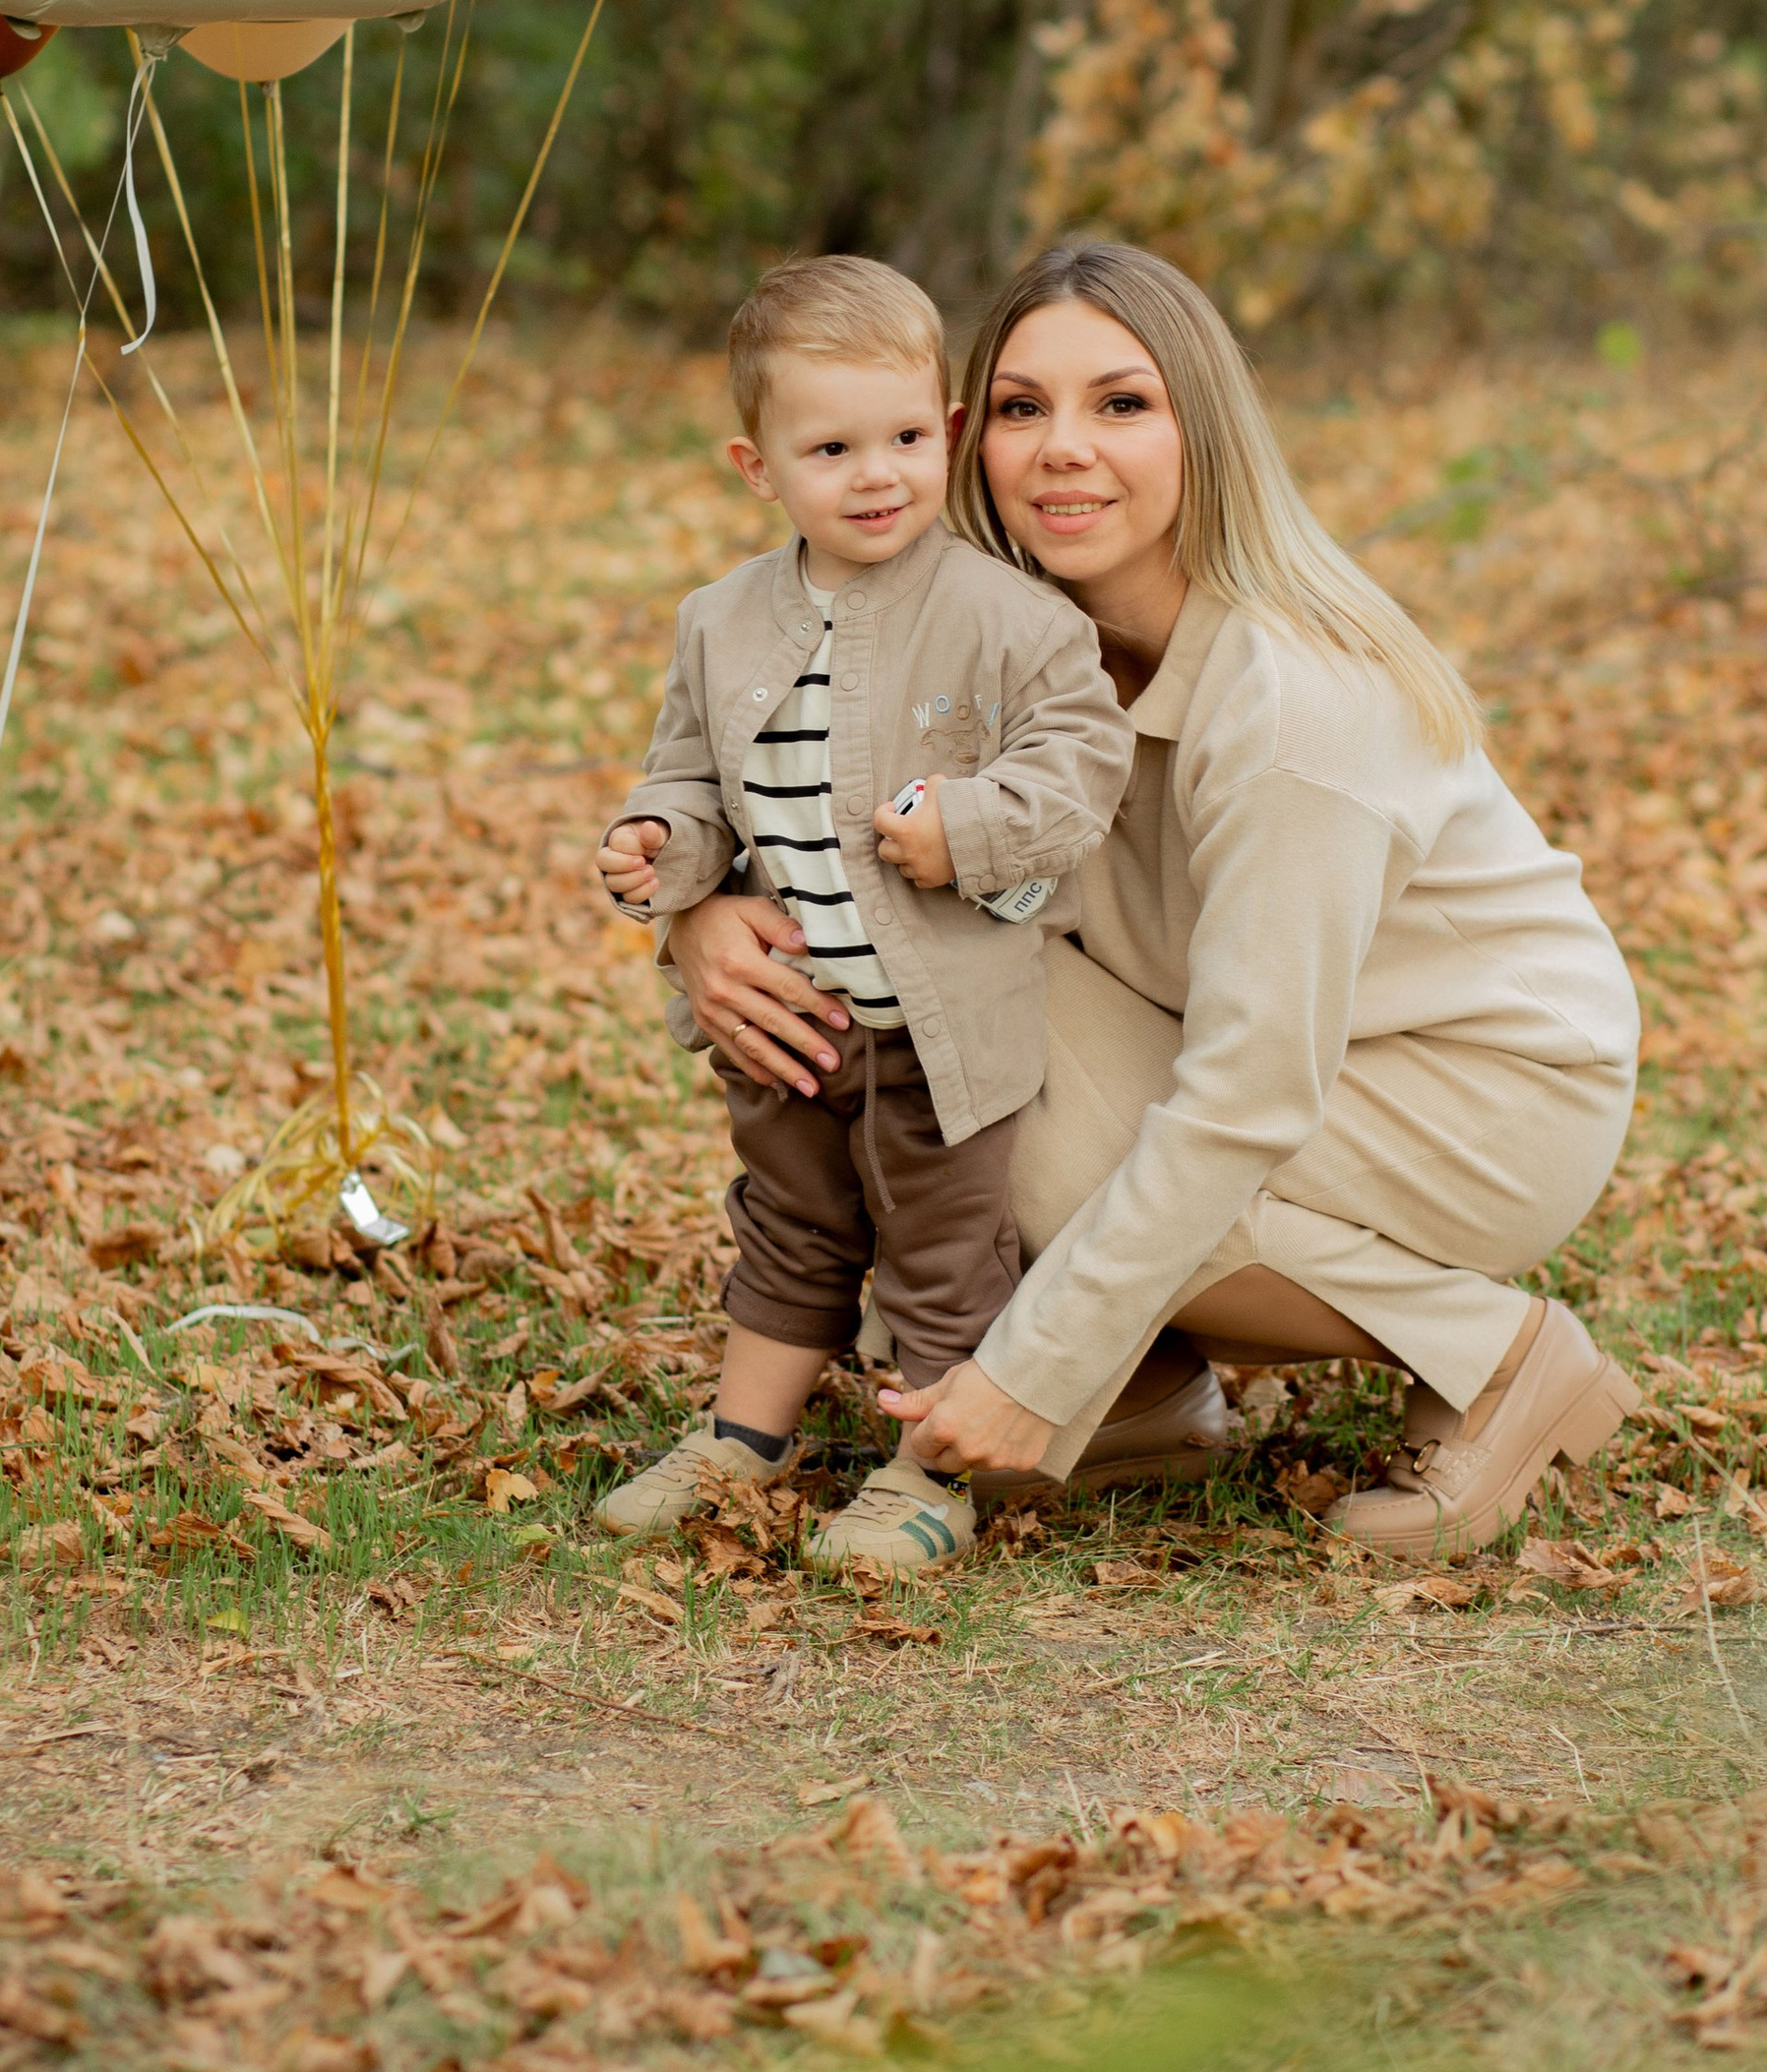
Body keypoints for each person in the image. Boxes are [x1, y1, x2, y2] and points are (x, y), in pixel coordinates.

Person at [663, 239, 1643, 1564]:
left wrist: (1031, 1373)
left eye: (1122, 404)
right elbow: (821, 823)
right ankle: (1147, 1386)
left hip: (1479, 1089)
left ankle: (1502, 1360)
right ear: (973, 439)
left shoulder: (1295, 708)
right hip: (1247, 1036)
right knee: (917, 1012)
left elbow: (1247, 1092)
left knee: (1037, 1136)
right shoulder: (992, 643)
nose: (1065, 447)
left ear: (1205, 431)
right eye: (1022, 408)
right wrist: (705, 915)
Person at [592, 254, 1133, 1573]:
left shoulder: (1013, 621)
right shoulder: (721, 623)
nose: (877, 472)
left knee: (945, 1248)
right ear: (757, 466)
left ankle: (933, 1470)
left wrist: (971, 827)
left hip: (945, 1025)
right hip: (795, 1020)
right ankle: (744, 1437)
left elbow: (1081, 765)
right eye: (831, 446)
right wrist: (662, 852)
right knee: (788, 1225)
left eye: (904, 436)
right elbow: (690, 777)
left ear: (946, 433)